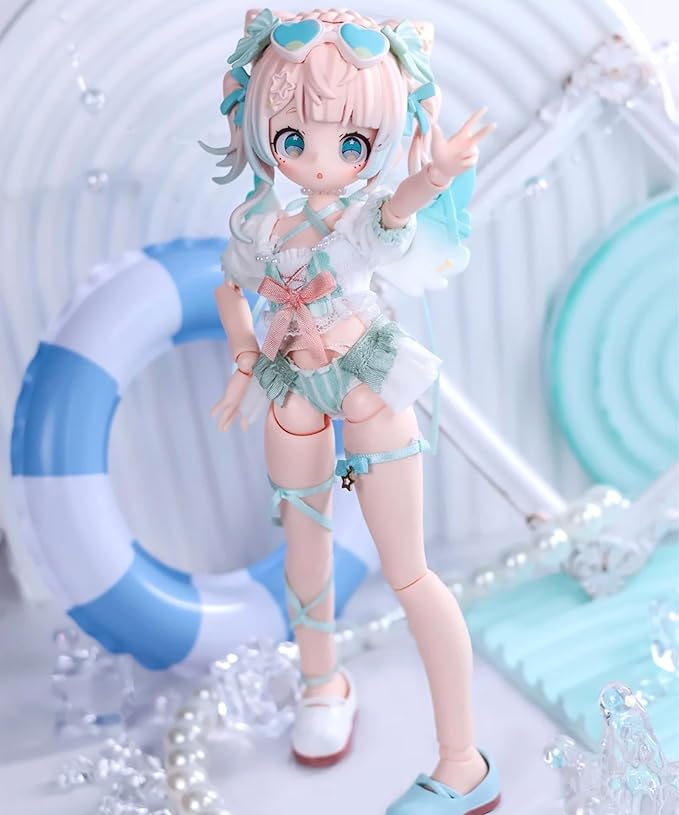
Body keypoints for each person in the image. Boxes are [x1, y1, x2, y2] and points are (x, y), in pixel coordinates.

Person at [204, 8, 500, 813]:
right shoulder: (258, 222)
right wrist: (243, 363)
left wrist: (435, 174)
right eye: (293, 137)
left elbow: (399, 206)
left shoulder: (363, 218)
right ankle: (321, 682)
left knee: (408, 570)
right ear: (263, 128)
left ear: (376, 141)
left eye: (351, 141)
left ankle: (463, 760)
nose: (319, 159)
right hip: (289, 386)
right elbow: (230, 288)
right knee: (304, 549)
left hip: (365, 378)